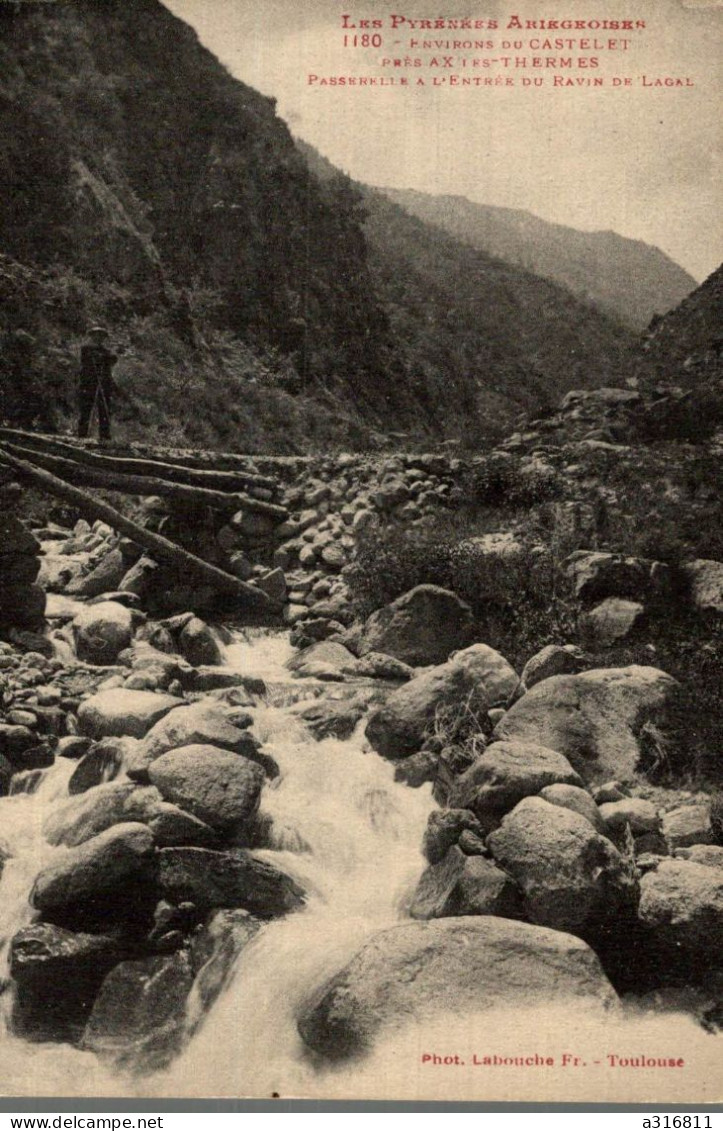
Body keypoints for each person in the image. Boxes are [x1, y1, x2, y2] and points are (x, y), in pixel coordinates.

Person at [78, 326, 118, 441]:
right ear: (92, 336)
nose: (98, 337)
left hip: (104, 383)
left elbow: (111, 361)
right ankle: (82, 434)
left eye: (101, 335)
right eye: (96, 335)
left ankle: (104, 435)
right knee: (86, 408)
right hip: (88, 383)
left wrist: (108, 359)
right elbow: (85, 361)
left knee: (104, 409)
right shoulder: (85, 349)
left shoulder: (106, 352)